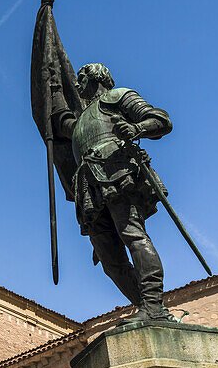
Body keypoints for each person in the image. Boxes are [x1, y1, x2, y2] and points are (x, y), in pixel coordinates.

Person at [50, 63, 174, 323]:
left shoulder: (116, 97)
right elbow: (62, 124)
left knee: (133, 234)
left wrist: (137, 129)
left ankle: (153, 305)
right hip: (89, 186)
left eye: (81, 78)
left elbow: (161, 120)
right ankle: (146, 307)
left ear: (96, 77)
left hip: (117, 173)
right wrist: (51, 93)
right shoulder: (81, 118)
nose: (77, 84)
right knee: (110, 261)